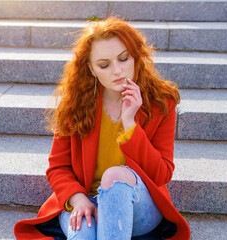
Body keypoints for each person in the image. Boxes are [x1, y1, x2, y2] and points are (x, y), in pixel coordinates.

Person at [14, 17, 190, 240]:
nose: (117, 71)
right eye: (104, 65)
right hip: (85, 198)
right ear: (91, 69)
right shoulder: (75, 105)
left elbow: (161, 174)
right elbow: (57, 167)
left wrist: (130, 123)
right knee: (84, 233)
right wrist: (78, 199)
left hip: (137, 203)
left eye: (124, 59)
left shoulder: (161, 103)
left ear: (136, 57)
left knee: (115, 176)